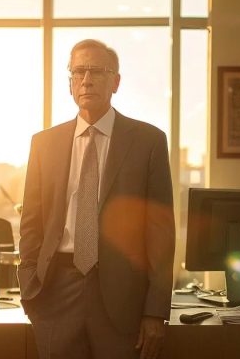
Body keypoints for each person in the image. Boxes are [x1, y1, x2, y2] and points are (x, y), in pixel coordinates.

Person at [18, 39, 176, 359]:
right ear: (70, 83)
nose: (86, 79)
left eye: (97, 71)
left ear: (115, 81)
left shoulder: (149, 142)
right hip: (55, 293)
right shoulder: (43, 144)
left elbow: (161, 235)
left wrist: (155, 311)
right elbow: (31, 224)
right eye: (78, 71)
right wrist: (29, 287)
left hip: (122, 297)